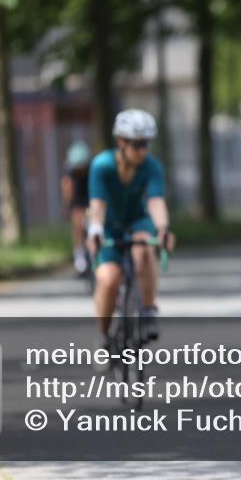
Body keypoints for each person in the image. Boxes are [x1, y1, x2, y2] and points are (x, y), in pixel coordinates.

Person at [85, 109, 176, 365]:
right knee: (109, 278)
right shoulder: (102, 166)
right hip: (109, 225)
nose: (143, 150)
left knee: (144, 247)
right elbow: (98, 205)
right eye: (137, 144)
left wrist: (163, 229)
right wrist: (95, 232)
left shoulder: (151, 167)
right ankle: (103, 337)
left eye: (147, 144)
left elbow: (156, 201)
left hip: (138, 219)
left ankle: (147, 309)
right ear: (121, 142)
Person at [61, 140, 92, 276]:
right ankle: (80, 262)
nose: (80, 172)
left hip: (91, 198)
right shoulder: (70, 172)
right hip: (78, 200)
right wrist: (67, 206)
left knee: (93, 225)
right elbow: (67, 188)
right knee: (78, 227)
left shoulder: (93, 170)